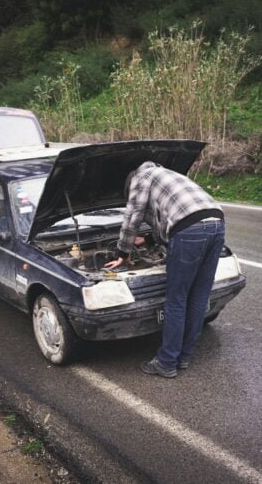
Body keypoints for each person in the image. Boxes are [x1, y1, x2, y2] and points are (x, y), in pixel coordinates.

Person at [104, 161, 225, 378]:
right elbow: (169, 219)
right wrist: (149, 238)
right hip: (217, 222)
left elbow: (134, 215)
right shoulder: (168, 174)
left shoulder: (141, 176)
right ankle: (184, 356)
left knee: (176, 299)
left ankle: (167, 362)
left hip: (190, 229)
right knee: (198, 296)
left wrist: (122, 252)